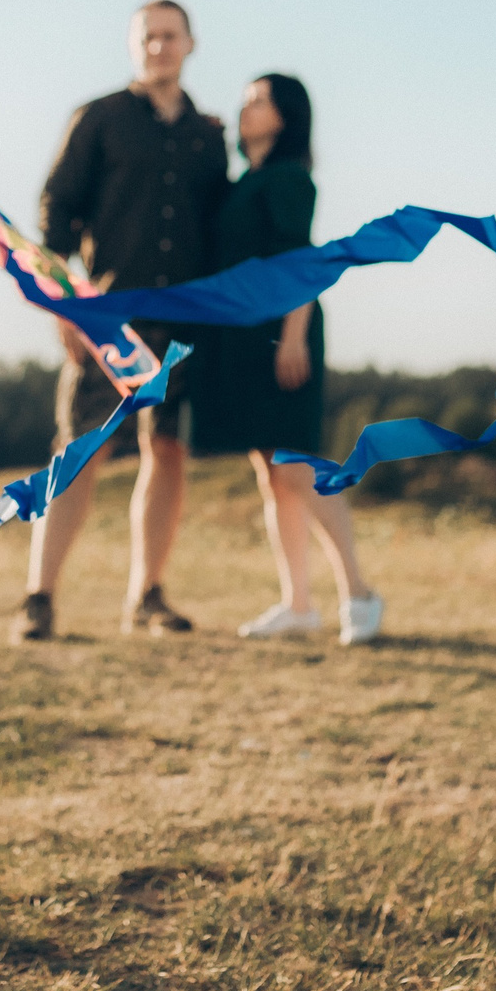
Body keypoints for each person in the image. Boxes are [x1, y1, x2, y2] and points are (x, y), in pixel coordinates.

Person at [11, 0, 231, 643]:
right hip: (107, 316)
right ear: (134, 46)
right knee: (79, 452)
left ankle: (148, 596)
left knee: (167, 452)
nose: (159, 47)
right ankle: (38, 598)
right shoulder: (99, 118)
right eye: (148, 37)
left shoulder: (208, 135)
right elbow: (56, 208)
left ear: (191, 42)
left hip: (185, 322)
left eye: (170, 36)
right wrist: (64, 305)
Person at [191, 74, 383, 645]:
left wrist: (294, 335)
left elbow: (301, 262)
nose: (245, 107)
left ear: (286, 115)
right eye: (245, 99)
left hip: (283, 332)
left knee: (298, 467)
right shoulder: (245, 181)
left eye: (258, 101)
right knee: (272, 476)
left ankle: (359, 593)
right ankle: (298, 604)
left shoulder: (290, 180)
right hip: (244, 338)